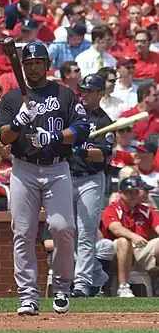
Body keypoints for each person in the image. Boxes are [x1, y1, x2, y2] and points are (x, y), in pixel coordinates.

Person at [0, 41, 90, 315]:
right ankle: (27, 296)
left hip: (57, 167)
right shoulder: (12, 99)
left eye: (38, 62)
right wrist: (17, 123)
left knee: (62, 228)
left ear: (47, 65)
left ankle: (61, 287)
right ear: (22, 67)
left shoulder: (64, 94)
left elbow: (83, 128)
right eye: (28, 63)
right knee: (23, 232)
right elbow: (3, 137)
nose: (33, 67)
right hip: (23, 168)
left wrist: (56, 136)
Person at [69, 74, 114, 298]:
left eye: (89, 91)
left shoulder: (105, 121)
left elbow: (102, 157)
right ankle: (97, 274)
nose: (84, 94)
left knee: (86, 233)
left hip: (90, 179)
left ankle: (82, 284)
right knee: (69, 231)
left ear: (100, 94)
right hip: (66, 176)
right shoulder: (72, 114)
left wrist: (80, 149)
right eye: (83, 90)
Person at [101, 175, 159, 297]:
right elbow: (115, 228)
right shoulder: (113, 209)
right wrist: (133, 236)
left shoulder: (146, 210)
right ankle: (123, 287)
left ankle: (157, 284)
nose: (133, 195)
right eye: (129, 192)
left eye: (136, 191)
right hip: (116, 252)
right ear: (121, 193)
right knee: (123, 241)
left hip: (141, 249)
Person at [42, 222, 114, 297]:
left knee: (106, 245)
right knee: (76, 254)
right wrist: (69, 242)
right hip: (62, 255)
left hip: (84, 251)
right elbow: (47, 245)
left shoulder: (83, 217)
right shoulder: (56, 219)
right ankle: (77, 287)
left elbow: (99, 238)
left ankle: (96, 285)